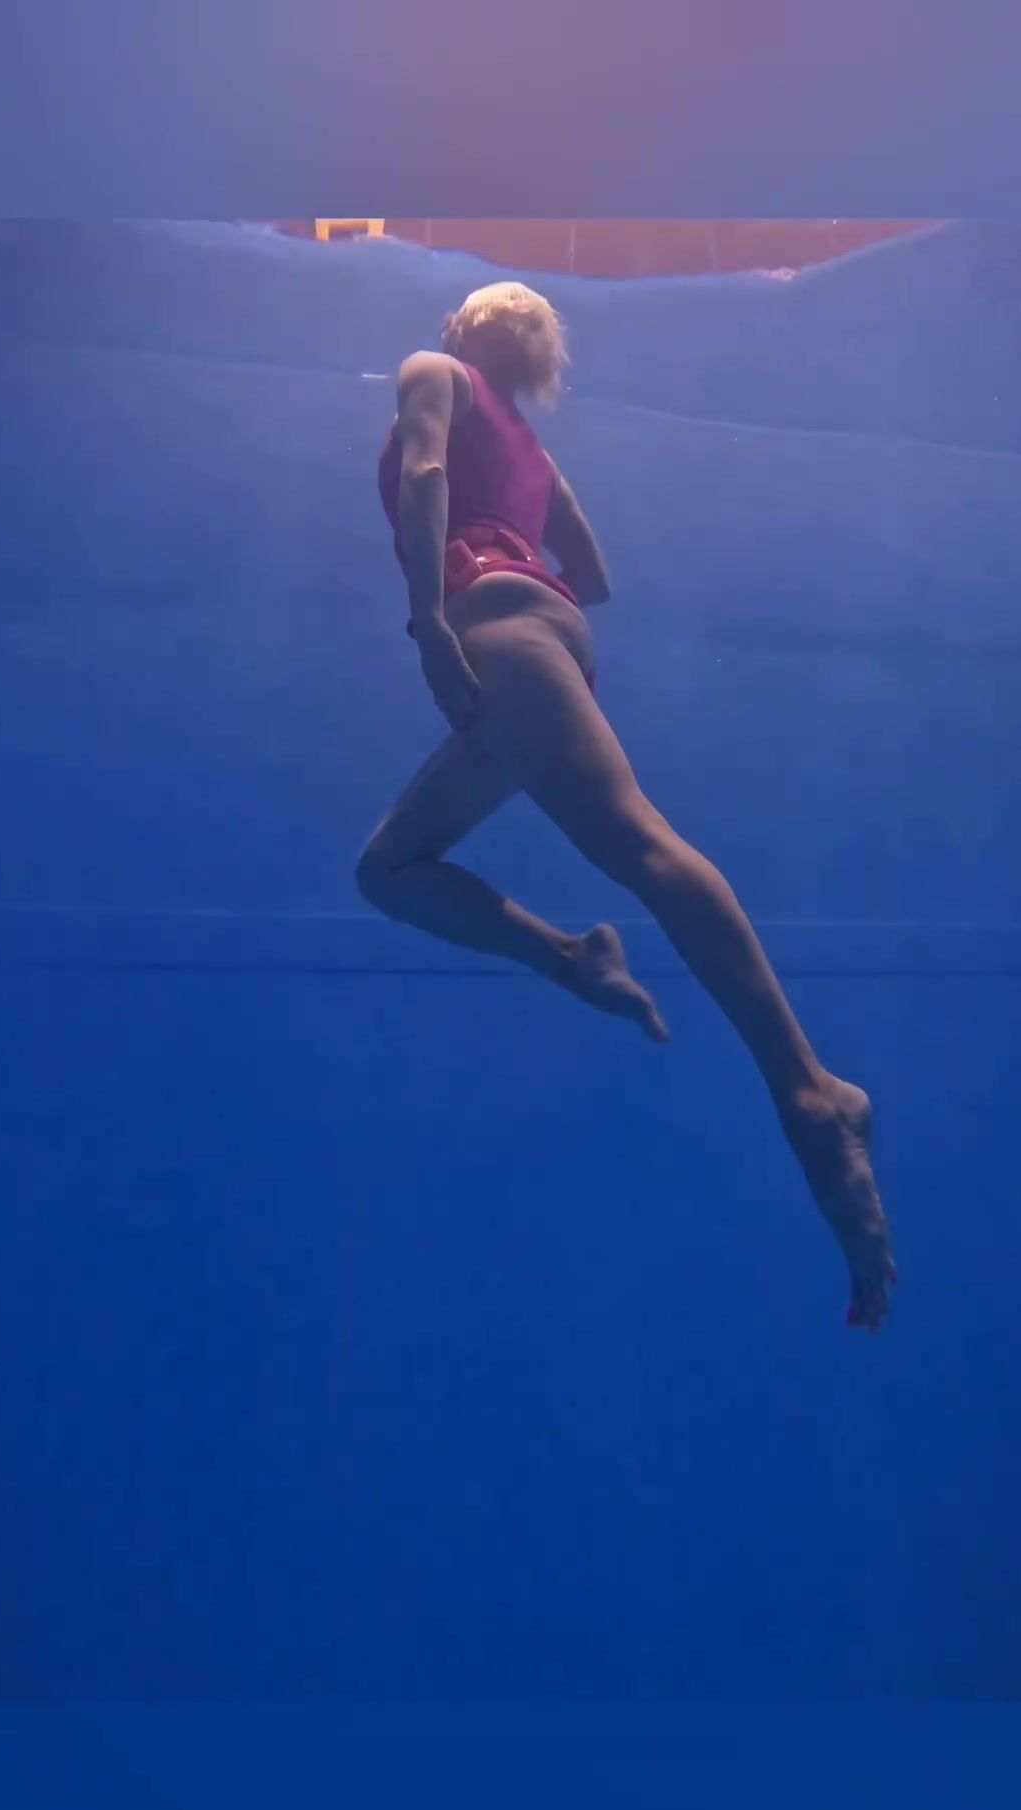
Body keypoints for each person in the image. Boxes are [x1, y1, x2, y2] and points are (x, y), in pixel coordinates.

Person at [361, 281, 897, 1332]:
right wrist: (526, 560)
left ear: (467, 330)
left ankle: (810, 1087)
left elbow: (424, 475)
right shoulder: (531, 448)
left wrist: (431, 623)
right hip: (548, 634)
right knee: (388, 871)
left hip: (495, 632)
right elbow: (594, 574)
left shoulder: (434, 373)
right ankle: (575, 957)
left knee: (643, 845)